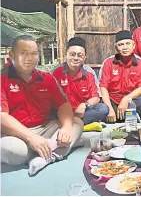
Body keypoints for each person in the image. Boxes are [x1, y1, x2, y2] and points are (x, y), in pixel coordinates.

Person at [1, 35, 84, 176]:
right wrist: (31, 138)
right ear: (12, 54)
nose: (29, 58)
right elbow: (2, 117)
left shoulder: (47, 78)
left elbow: (63, 105)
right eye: (24, 53)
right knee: (8, 149)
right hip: (16, 134)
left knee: (76, 123)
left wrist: (66, 128)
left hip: (46, 128)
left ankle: (44, 157)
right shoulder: (2, 79)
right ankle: (57, 147)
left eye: (33, 53)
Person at [53, 37, 109, 125]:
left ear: (85, 57)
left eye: (80, 55)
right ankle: (75, 123)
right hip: (63, 112)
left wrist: (84, 105)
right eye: (72, 54)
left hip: (82, 112)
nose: (75, 58)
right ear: (66, 55)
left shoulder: (89, 73)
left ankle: (73, 123)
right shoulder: (56, 73)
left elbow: (96, 97)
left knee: (103, 109)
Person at [99, 30, 141, 123]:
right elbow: (103, 87)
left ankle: (128, 120)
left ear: (133, 45)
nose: (125, 47)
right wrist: (110, 109)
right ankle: (114, 116)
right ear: (116, 47)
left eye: (128, 44)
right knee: (103, 109)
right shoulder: (108, 63)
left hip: (131, 101)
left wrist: (126, 99)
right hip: (113, 101)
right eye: (121, 44)